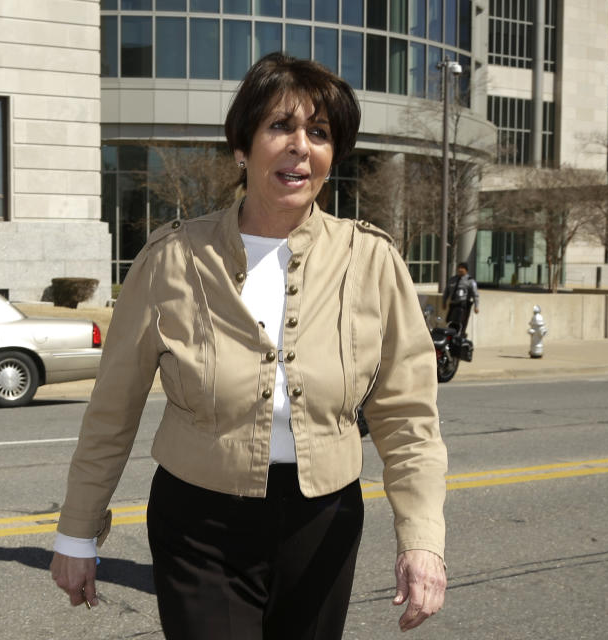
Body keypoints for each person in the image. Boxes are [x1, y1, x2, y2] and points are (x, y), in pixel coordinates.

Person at [50, 53, 448, 639]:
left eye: (319, 133)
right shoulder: (172, 259)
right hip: (200, 524)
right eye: (280, 127)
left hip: (324, 521)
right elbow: (113, 406)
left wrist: (422, 542)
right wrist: (77, 532)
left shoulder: (372, 260)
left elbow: (408, 417)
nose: (300, 147)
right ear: (242, 147)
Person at [443, 261, 479, 337]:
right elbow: (446, 292)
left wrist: (476, 306)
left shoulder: (470, 281)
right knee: (450, 322)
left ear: (466, 270)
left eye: (462, 268)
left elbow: (475, 295)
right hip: (453, 305)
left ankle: (460, 337)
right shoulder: (452, 279)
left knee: (461, 324)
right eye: (459, 268)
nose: (460, 269)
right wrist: (444, 302)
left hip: (463, 306)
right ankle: (450, 337)